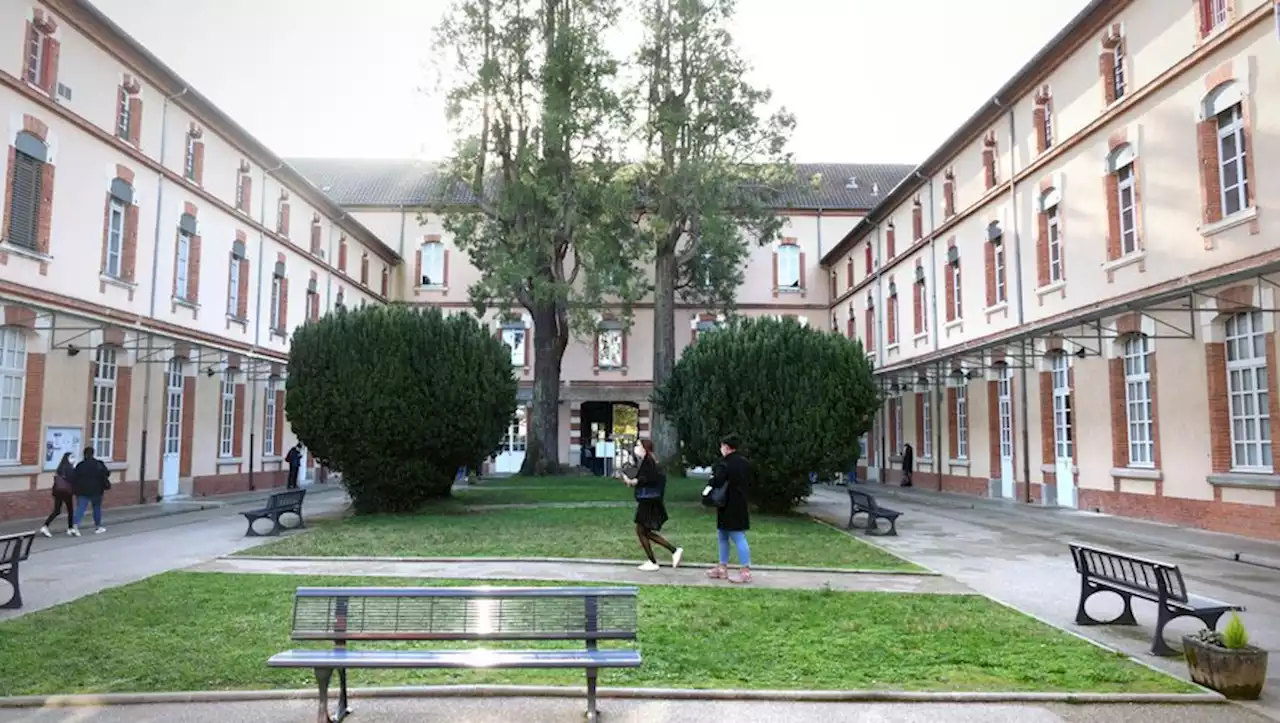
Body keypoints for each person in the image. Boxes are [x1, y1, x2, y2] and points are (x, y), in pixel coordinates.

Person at [619, 439, 683, 571]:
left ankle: (654, 561)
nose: (636, 448)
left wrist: (631, 481)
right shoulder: (649, 461)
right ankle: (673, 551)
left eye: (637, 445)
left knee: (641, 531)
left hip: (648, 501)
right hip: (650, 500)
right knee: (645, 531)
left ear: (644, 448)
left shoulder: (649, 461)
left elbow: (645, 479)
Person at [706, 434, 753, 584]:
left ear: (726, 447)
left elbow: (717, 481)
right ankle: (723, 566)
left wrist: (711, 479)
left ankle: (743, 570)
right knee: (727, 534)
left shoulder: (725, 464)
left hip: (726, 504)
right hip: (740, 502)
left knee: (733, 536)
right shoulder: (745, 463)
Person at [70, 446, 111, 536]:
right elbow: (107, 473)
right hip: (97, 490)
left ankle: (75, 526)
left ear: (84, 454)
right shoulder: (98, 464)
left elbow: (74, 477)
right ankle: (98, 527)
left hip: (82, 490)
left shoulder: (80, 465)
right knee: (96, 508)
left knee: (80, 508)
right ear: (93, 453)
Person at [39, 452, 76, 537]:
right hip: (66, 492)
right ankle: (70, 528)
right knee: (70, 510)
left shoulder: (60, 467)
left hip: (57, 491)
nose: (73, 459)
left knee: (57, 510)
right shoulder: (69, 468)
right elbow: (72, 479)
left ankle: (45, 526)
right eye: (72, 457)